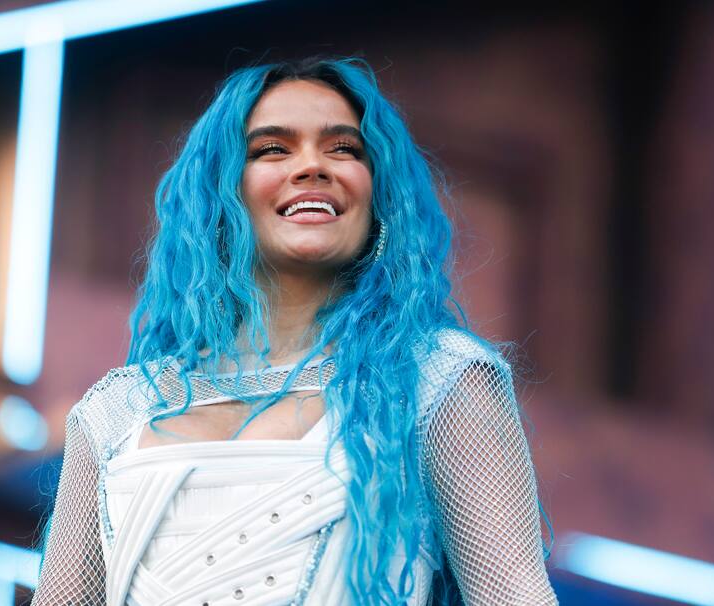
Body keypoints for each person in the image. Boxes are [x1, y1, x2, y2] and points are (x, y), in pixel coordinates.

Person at [32, 57, 558, 605]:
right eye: (272, 149)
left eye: (344, 149)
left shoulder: (440, 381)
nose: (312, 166)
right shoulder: (116, 411)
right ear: (221, 193)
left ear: (378, 194)